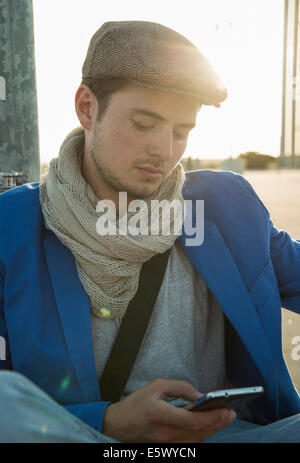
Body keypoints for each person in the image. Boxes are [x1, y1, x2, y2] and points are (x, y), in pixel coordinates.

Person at [0, 20, 300, 444]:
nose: (166, 151)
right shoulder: (12, 223)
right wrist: (108, 422)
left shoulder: (226, 207)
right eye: (144, 123)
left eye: (181, 132)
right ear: (87, 108)